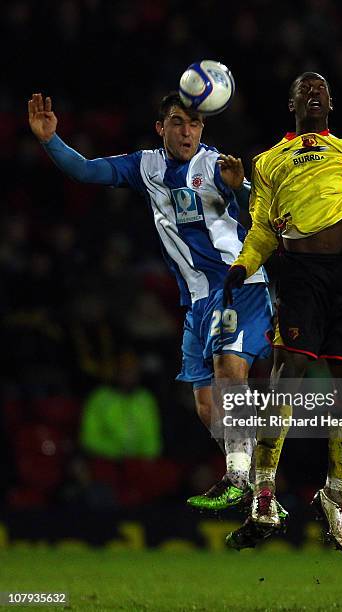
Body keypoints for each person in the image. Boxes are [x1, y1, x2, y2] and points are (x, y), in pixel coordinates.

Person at [28, 91, 283, 515]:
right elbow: (86, 171)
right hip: (197, 300)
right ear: (160, 127)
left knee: (230, 374)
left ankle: (238, 482)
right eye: (178, 123)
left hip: (237, 285)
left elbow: (263, 212)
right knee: (206, 408)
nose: (187, 132)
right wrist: (50, 140)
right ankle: (263, 491)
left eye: (195, 124)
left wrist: (239, 190)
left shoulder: (215, 165)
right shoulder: (144, 166)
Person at [223, 72, 342, 552]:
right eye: (304, 89)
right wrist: (245, 263)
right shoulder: (269, 161)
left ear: (331, 102)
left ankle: (335, 496)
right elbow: (263, 227)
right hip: (299, 276)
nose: (314, 93)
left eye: (322, 89)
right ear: (291, 103)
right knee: (288, 372)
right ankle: (265, 490)